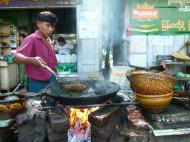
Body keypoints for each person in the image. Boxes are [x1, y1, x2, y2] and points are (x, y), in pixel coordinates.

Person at [14, 11, 58, 92]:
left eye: (53, 26)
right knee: (37, 104)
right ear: (38, 23)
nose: (51, 29)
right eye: (47, 25)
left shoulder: (49, 40)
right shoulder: (32, 39)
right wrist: (32, 60)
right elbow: (16, 57)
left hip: (52, 80)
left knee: (52, 103)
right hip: (38, 83)